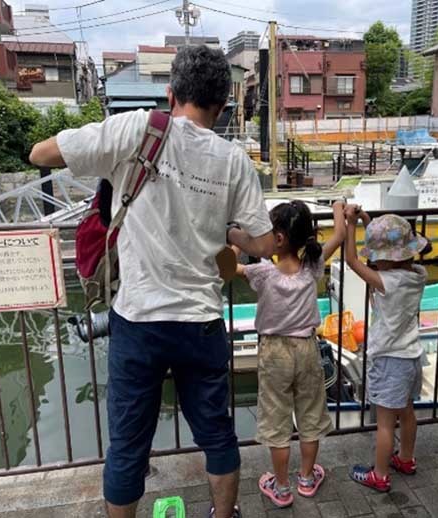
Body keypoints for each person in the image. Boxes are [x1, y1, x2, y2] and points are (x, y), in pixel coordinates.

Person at [29, 46, 275, 518]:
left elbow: (41, 153)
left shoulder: (137, 128)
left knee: (126, 446)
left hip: (138, 320)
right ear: (222, 104)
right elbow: (263, 246)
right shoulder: (232, 160)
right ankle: (224, 514)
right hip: (200, 321)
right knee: (217, 434)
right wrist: (220, 228)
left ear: (170, 93)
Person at [234, 200, 346, 508]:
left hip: (274, 352)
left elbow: (225, 268)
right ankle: (307, 479)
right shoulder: (312, 265)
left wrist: (237, 236)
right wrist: (339, 207)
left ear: (279, 239)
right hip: (307, 348)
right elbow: (339, 233)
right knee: (310, 415)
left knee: (277, 420)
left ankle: (282, 488)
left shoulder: (264, 273)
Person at [343, 207, 428, 493]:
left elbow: (352, 260)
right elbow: (383, 257)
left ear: (383, 258)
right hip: (411, 356)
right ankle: (405, 459)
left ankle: (379, 475)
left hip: (389, 360)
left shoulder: (385, 282)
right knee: (407, 412)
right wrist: (369, 223)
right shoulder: (418, 274)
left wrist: (352, 225)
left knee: (384, 424)